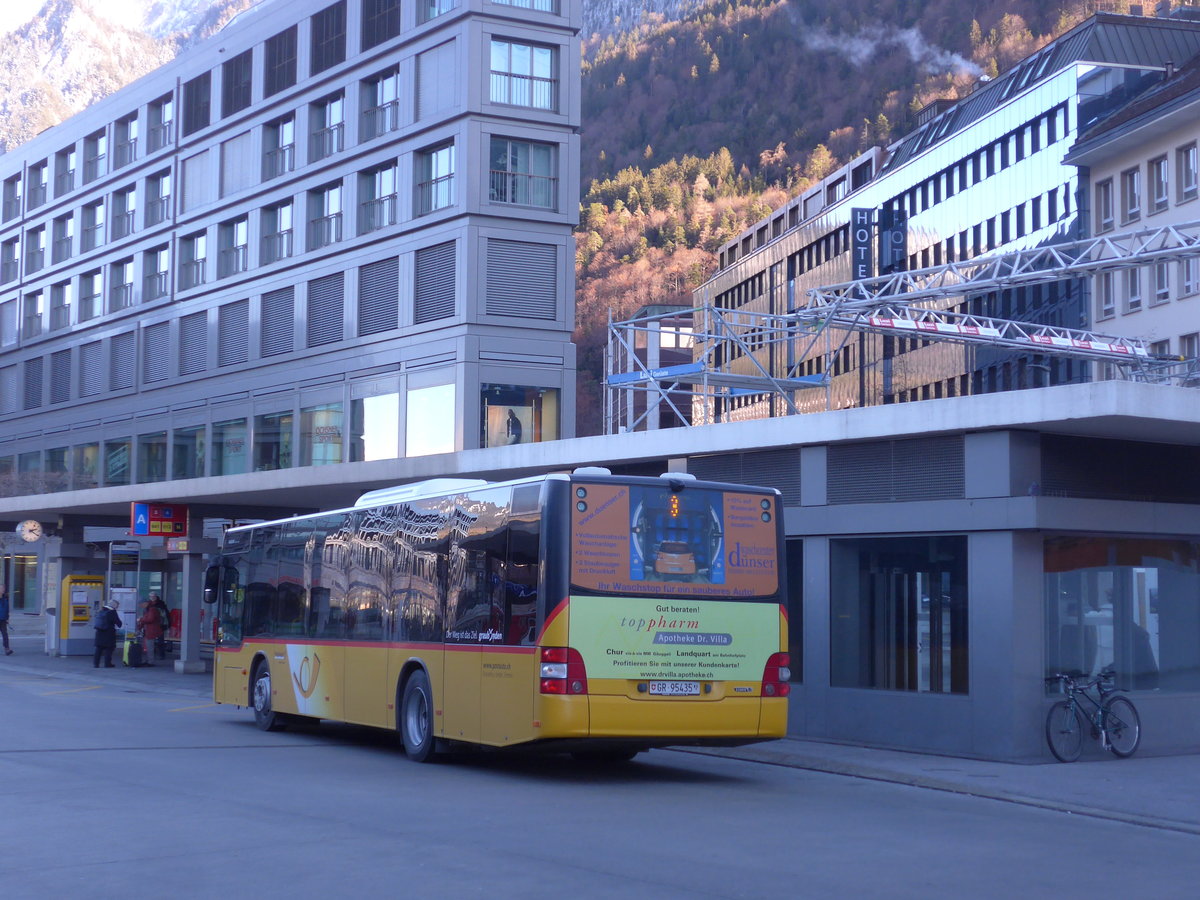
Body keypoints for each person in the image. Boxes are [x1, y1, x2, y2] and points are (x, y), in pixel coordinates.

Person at [93, 599, 122, 668]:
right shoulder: (112, 612)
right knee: (109, 649)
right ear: (114, 605)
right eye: (117, 606)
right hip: (109, 633)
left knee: (98, 649)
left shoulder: (101, 610)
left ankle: (96, 664)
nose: (117, 607)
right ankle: (107, 664)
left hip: (99, 632)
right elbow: (119, 623)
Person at [137, 596, 164, 666]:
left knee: (150, 646)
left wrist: (140, 619)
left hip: (151, 630)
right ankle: (148, 660)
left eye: (140, 604)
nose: (140, 606)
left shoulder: (152, 609)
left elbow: (150, 619)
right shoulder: (147, 609)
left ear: (144, 603)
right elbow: (146, 619)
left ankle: (150, 661)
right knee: (148, 646)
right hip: (148, 630)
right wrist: (139, 627)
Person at [151, 593, 171, 660]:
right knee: (156, 640)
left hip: (159, 625)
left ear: (156, 597)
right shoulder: (159, 604)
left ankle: (161, 654)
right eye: (151, 596)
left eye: (153, 596)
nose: (152, 598)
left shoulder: (160, 605)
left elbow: (166, 615)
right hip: (154, 625)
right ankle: (157, 654)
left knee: (160, 641)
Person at [0, 585, 12, 655]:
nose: (3, 589)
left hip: (3, 620)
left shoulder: (5, 598)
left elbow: (7, 609)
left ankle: (7, 649)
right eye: (2, 588)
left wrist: (7, 618)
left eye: (3, 588)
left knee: (5, 634)